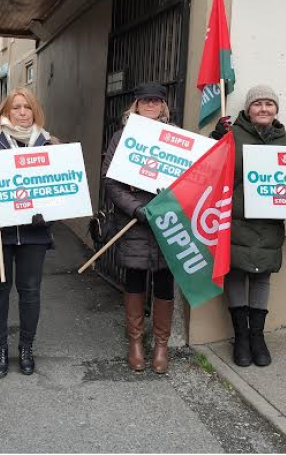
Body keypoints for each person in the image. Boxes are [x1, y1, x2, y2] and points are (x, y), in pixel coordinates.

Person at [211, 85, 286, 367]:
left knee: (262, 276)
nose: (263, 109)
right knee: (237, 274)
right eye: (258, 104)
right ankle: (241, 337)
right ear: (248, 109)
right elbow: (209, 167)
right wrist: (215, 139)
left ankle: (258, 338)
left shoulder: (285, 143)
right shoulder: (231, 136)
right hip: (235, 219)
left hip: (268, 223)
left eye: (269, 104)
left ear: (276, 110)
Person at [0, 87, 55, 378]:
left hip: (34, 232)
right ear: (5, 113)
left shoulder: (49, 145)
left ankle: (26, 348)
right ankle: (0, 350)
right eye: (16, 107)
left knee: (30, 292)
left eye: (27, 107)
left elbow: (60, 187)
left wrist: (51, 209)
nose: (22, 112)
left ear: (35, 112)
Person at [101, 82, 176, 374]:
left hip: (166, 220)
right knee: (134, 278)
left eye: (156, 101)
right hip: (133, 221)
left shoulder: (175, 137)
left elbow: (191, 175)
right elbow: (110, 180)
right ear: (135, 104)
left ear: (163, 106)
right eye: (145, 100)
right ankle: (135, 342)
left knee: (165, 281)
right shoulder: (122, 137)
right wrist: (135, 208)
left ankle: (160, 345)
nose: (151, 105)